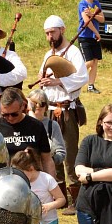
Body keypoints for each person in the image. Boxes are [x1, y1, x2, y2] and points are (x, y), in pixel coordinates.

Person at [35, 14, 88, 203]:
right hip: (49, 111)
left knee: (69, 152)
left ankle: (76, 200)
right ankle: (59, 196)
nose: (50, 37)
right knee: (50, 151)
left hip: (66, 112)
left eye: (53, 32)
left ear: (62, 30)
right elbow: (43, 80)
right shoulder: (48, 55)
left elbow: (83, 78)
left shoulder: (73, 53)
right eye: (47, 33)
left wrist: (58, 81)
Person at [0, 87, 54, 177]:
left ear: (23, 106)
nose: (10, 118)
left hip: (32, 180)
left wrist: (51, 184)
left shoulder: (36, 126)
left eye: (14, 114)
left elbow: (47, 160)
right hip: (5, 181)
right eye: (5, 115)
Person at [78, 0, 104, 93]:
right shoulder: (82, 4)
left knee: (95, 61)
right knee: (88, 62)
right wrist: (96, 32)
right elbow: (87, 22)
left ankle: (91, 86)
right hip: (85, 37)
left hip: (94, 37)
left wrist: (93, 14)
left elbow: (102, 19)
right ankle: (75, 78)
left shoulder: (96, 4)